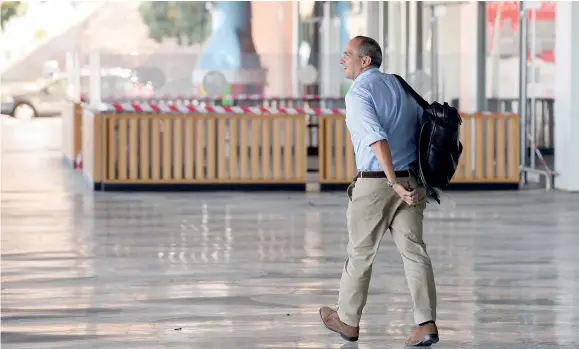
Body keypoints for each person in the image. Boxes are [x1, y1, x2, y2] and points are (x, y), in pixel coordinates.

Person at [318, 36, 439, 347]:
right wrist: (408, 182)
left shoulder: (359, 92)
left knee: (360, 253)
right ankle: (425, 324)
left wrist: (391, 182)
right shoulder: (401, 87)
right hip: (411, 181)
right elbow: (421, 132)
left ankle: (347, 321)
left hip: (377, 183)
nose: (342, 60)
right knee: (415, 253)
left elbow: (377, 139)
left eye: (347, 55)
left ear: (365, 61)